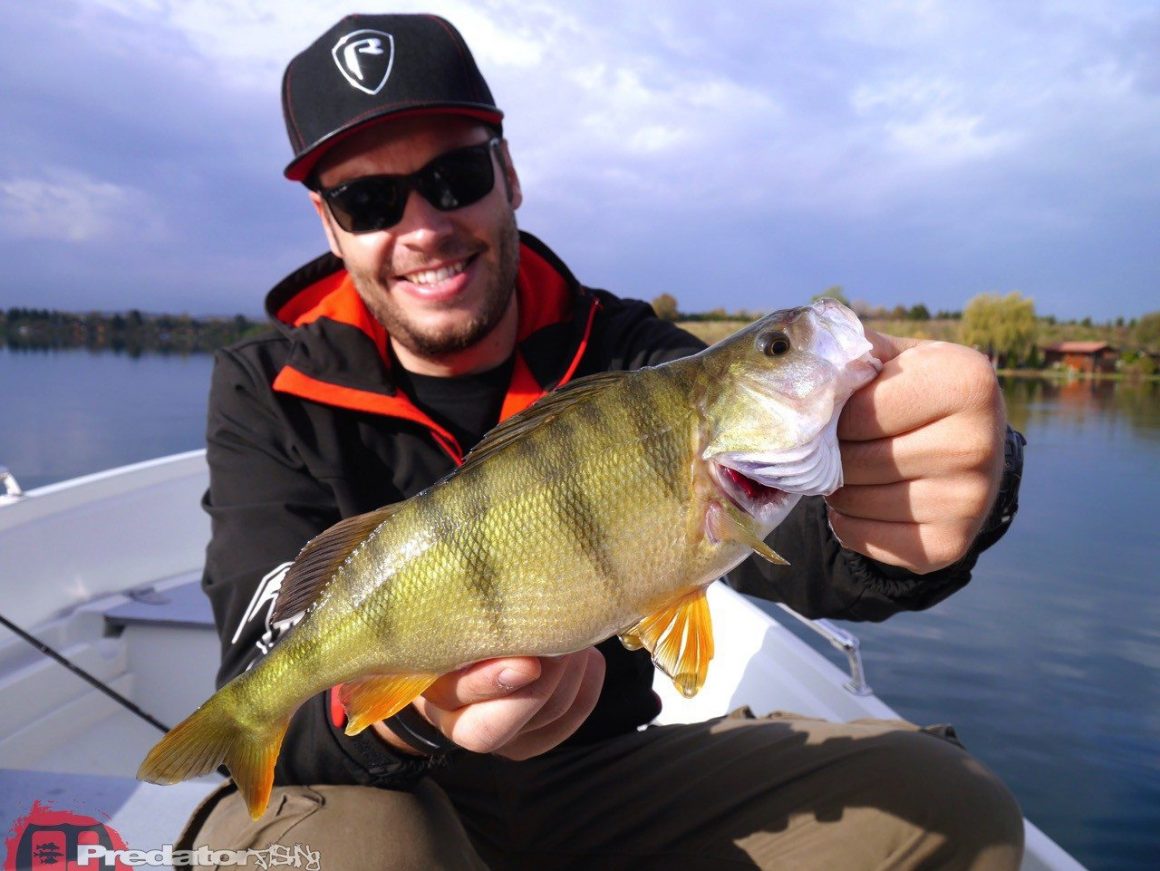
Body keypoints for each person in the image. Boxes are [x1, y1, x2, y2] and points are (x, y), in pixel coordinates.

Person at [178, 13, 1027, 869]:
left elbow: (810, 537)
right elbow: (263, 659)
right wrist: (411, 711)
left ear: (508, 174)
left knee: (954, 806)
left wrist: (926, 489)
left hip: (603, 781)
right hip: (390, 790)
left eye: (455, 175)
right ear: (330, 227)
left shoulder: (635, 360)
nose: (424, 227)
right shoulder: (265, 386)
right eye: (369, 200)